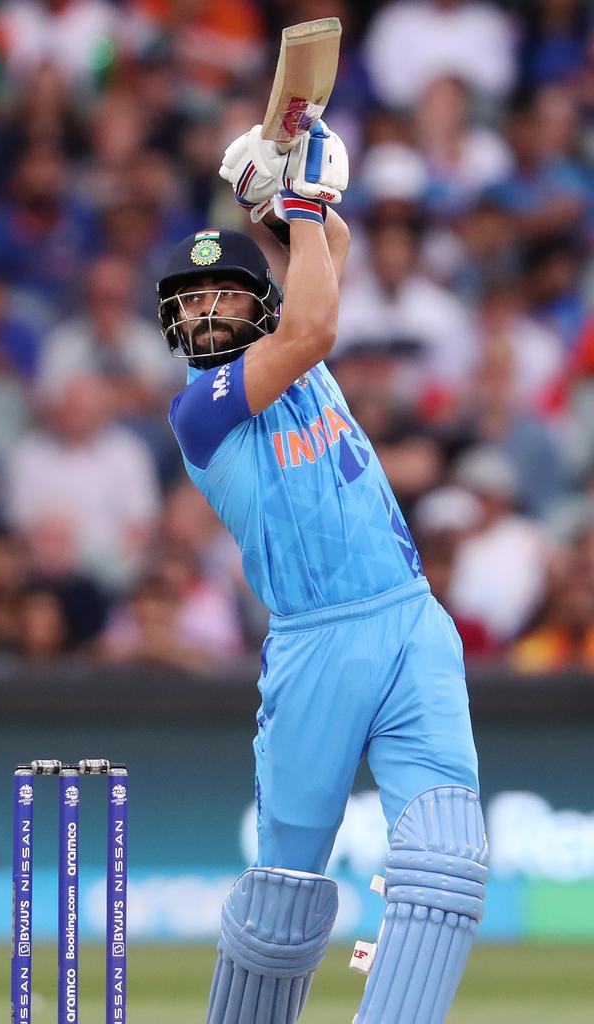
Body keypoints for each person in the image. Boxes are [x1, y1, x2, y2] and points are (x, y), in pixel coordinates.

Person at [157, 122, 488, 1024]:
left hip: (411, 619)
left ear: (257, 302)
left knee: (447, 867)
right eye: (191, 300)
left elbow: (327, 251)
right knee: (282, 909)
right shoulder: (202, 411)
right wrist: (293, 209)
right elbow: (313, 320)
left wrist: (280, 201)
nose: (208, 311)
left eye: (227, 292)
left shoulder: (300, 345)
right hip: (317, 649)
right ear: (174, 321)